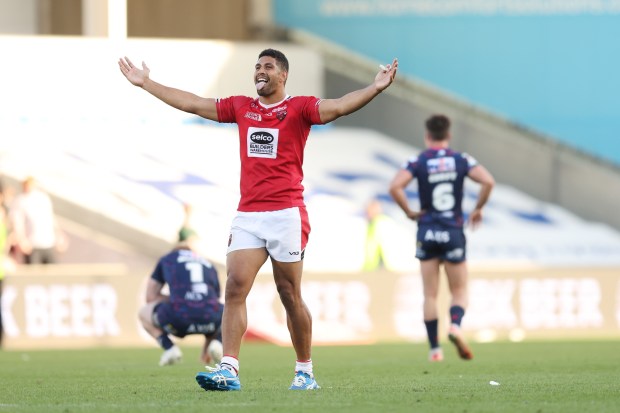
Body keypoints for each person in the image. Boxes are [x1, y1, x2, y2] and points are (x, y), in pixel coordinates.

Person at [119, 48, 398, 390]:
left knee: (289, 293)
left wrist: (376, 87)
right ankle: (229, 369)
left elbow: (339, 106)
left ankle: (305, 371)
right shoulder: (241, 107)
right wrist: (147, 83)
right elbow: (192, 103)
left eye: (268, 66)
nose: (260, 71)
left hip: (287, 214)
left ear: (283, 75)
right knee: (235, 286)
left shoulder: (300, 108)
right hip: (249, 214)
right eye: (257, 67)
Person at [389, 114, 494, 362]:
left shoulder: (418, 161)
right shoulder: (461, 159)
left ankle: (435, 350)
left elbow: (394, 187)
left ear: (427, 136)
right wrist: (478, 208)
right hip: (453, 230)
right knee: (458, 290)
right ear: (448, 135)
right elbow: (488, 181)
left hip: (427, 229)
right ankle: (455, 325)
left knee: (430, 294)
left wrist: (409, 212)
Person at [138, 229, 224, 367]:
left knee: (143, 312)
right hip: (210, 321)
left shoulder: (167, 259)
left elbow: (150, 297)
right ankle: (218, 343)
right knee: (227, 312)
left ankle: (170, 348)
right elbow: (213, 300)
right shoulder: (208, 263)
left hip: (178, 320)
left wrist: (176, 299)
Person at [9, 176, 67, 264]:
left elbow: (51, 218)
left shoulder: (43, 198)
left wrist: (59, 235)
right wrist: (22, 240)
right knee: (33, 274)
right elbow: (17, 223)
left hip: (48, 243)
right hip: (32, 245)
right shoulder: (20, 201)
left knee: (53, 273)